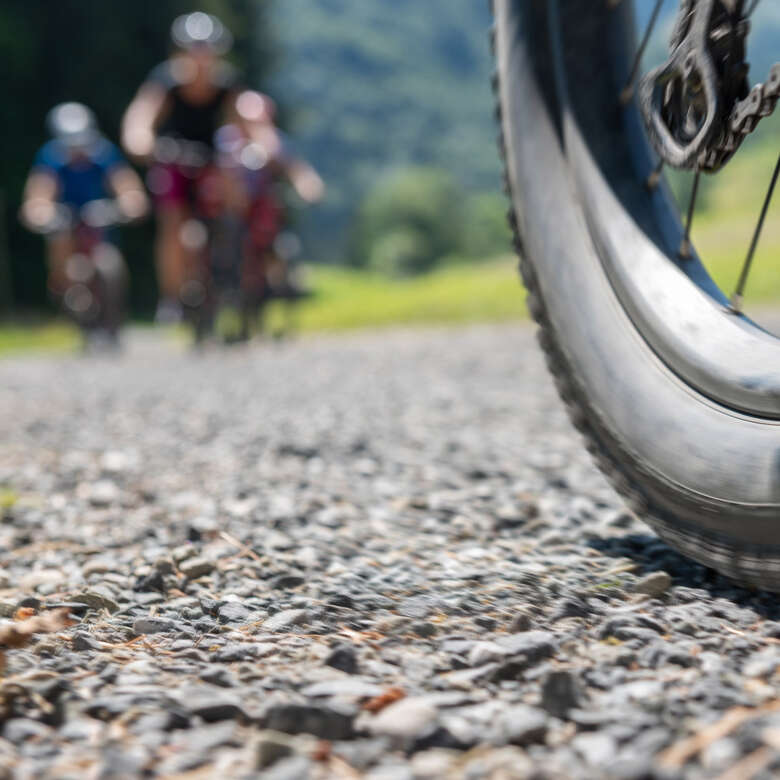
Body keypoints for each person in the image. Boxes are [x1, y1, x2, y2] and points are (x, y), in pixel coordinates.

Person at [121, 11, 324, 325]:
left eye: (208, 51)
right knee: (172, 221)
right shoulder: (165, 83)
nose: (201, 58)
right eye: (193, 50)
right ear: (180, 53)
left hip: (212, 158)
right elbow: (140, 119)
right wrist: (141, 141)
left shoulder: (228, 84)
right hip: (173, 156)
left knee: (234, 191)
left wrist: (266, 147)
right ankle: (172, 297)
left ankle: (234, 255)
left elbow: (254, 126)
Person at [20, 102, 148, 345]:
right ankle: (63, 287)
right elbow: (38, 195)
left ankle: (112, 314)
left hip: (98, 225)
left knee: (111, 260)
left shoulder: (104, 154)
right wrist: (42, 212)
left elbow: (127, 187)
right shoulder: (51, 158)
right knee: (58, 238)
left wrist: (127, 205)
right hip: (66, 224)